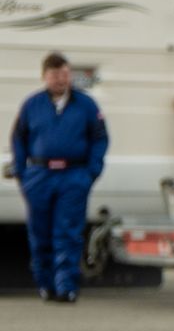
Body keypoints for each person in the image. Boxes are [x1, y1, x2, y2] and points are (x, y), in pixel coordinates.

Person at [11, 51, 109, 303]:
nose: (61, 79)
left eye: (65, 74)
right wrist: (23, 174)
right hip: (40, 177)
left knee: (67, 233)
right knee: (40, 234)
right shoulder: (32, 105)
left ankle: (66, 286)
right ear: (44, 76)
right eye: (55, 75)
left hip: (73, 176)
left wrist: (91, 171)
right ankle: (46, 285)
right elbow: (18, 139)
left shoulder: (86, 105)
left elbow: (100, 138)